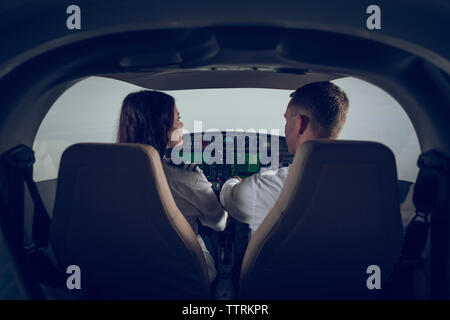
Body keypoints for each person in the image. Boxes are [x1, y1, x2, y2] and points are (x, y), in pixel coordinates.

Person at [117, 90, 228, 283]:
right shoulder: (187, 178)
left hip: (126, 272)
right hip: (185, 274)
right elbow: (218, 223)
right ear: (162, 126)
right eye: (178, 119)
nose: (182, 124)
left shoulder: (107, 174)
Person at [220, 81, 349, 237]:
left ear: (300, 123)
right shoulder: (363, 184)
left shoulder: (269, 185)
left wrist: (234, 180)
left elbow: (229, 198)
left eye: (287, 119)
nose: (285, 126)